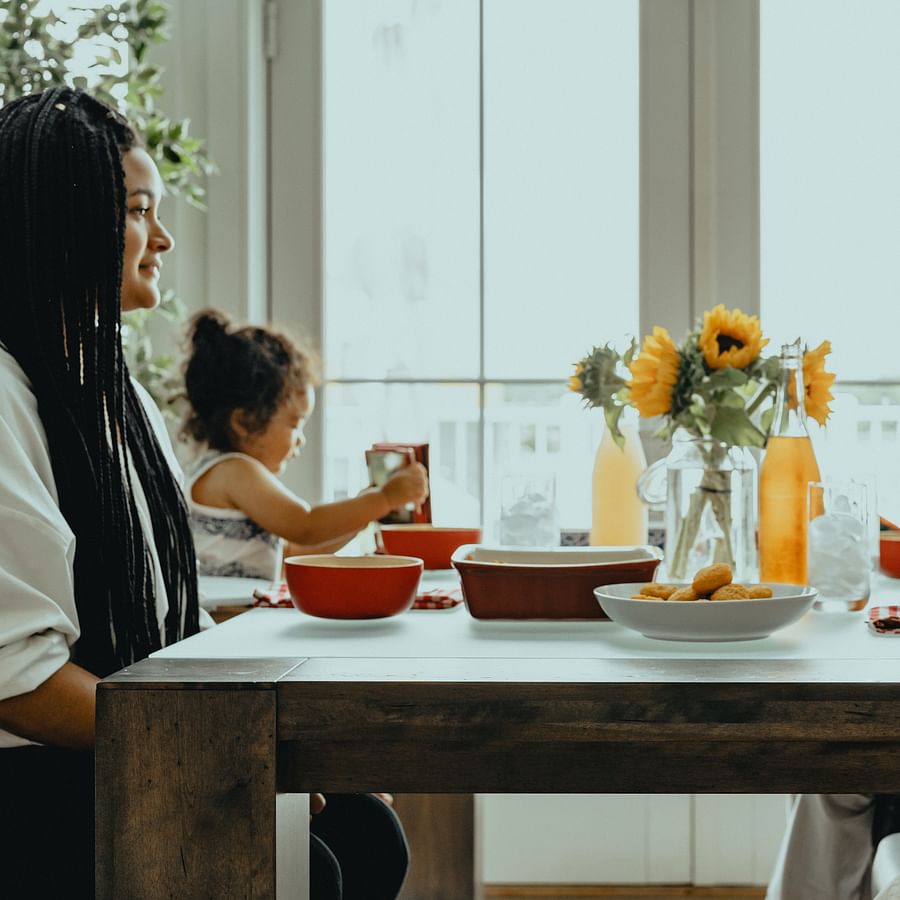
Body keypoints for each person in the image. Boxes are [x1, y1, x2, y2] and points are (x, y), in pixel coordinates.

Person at [0, 87, 408, 900]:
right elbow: (21, 680)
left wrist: (254, 737)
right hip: (33, 781)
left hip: (130, 739)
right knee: (309, 869)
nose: (163, 238)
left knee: (367, 833)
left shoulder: (119, 399)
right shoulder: (7, 396)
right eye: (138, 211)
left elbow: (167, 620)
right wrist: (220, 749)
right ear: (63, 224)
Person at [180, 308, 429, 581]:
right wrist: (384, 499)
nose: (301, 438)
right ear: (245, 421)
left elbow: (295, 552)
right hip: (224, 619)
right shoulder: (234, 471)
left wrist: (360, 515)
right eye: (294, 424)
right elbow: (306, 525)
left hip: (240, 613)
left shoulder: (225, 471)